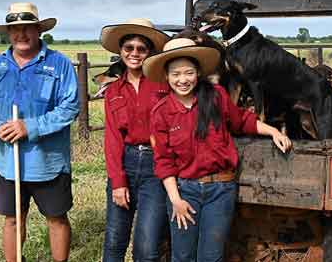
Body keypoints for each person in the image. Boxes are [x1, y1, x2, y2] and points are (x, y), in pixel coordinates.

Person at [143, 38, 293, 262]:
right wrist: (176, 200)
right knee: (182, 256)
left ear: (198, 73)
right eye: (176, 74)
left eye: (189, 73)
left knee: (211, 256)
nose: (183, 80)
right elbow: (163, 161)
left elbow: (242, 120)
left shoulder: (216, 96)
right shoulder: (161, 112)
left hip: (221, 190)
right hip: (185, 191)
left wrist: (273, 131)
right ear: (166, 76)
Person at [0, 2, 79, 262]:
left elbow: (70, 106)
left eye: (27, 28)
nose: (21, 34)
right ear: (8, 33)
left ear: (39, 30)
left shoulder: (59, 65)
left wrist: (29, 127)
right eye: (15, 29)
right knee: (12, 219)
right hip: (8, 162)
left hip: (48, 162)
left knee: (56, 218)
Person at [100, 18, 171, 262]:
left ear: (150, 52)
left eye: (141, 48)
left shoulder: (164, 85)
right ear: (120, 51)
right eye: (128, 47)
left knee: (147, 247)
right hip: (126, 162)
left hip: (156, 166)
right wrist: (118, 181)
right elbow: (112, 138)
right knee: (114, 241)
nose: (134, 53)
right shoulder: (113, 91)